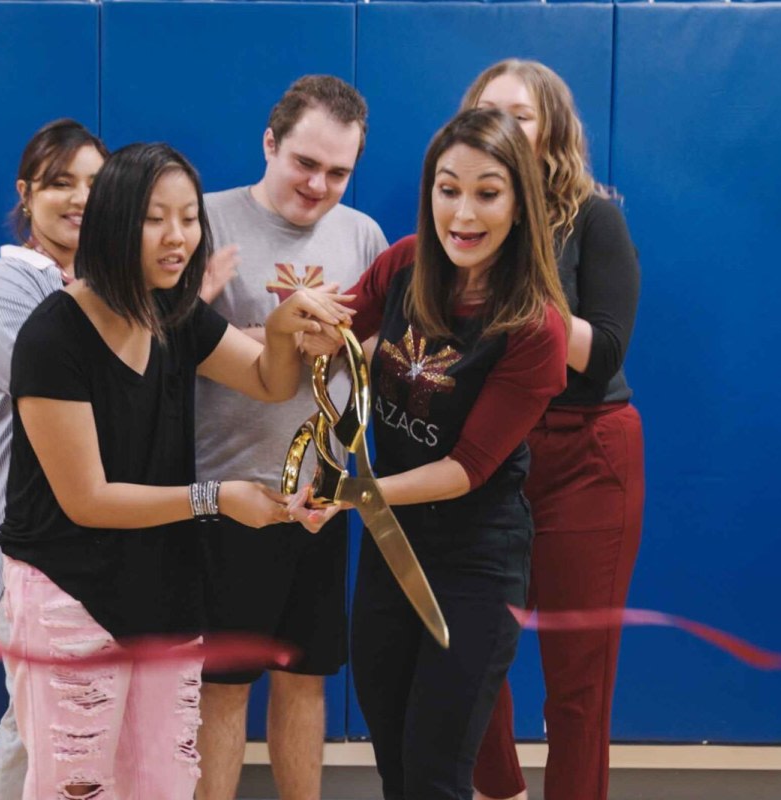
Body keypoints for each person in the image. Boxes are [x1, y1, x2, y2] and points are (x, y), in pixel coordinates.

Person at [0, 142, 353, 800]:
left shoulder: (174, 315)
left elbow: (270, 383)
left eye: (189, 217)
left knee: (163, 783)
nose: (178, 236)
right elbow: (87, 499)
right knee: (77, 787)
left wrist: (279, 331)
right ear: (113, 221)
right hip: (71, 596)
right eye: (156, 218)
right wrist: (219, 498)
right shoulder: (54, 336)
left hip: (161, 593)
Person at [308, 107, 569, 800]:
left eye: (487, 192)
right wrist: (297, 319)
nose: (463, 211)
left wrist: (349, 494)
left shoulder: (537, 327)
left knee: (434, 773)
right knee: (394, 761)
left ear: (519, 204)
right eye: (448, 188)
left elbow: (466, 471)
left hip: (475, 565)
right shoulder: (402, 265)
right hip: (391, 549)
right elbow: (335, 343)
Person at [193, 74, 388, 800]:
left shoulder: (362, 234)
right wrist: (270, 338)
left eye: (339, 171)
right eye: (305, 162)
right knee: (222, 688)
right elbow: (172, 345)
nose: (319, 184)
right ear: (269, 143)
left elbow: (361, 361)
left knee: (306, 679)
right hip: (227, 492)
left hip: (317, 497)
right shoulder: (205, 222)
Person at [460, 60, 644, 800]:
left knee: (579, 676)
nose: (503, 124)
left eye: (521, 113)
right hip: (485, 454)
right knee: (472, 656)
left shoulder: (595, 216)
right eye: (488, 109)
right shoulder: (456, 220)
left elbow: (602, 355)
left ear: (551, 133)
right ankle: (496, 792)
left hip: (585, 451)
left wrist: (521, 287)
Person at [0, 118, 108, 800]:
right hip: (21, 547)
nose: (79, 198)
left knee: (43, 723)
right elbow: (76, 393)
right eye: (60, 183)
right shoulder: (5, 286)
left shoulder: (109, 291)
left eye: (94, 184)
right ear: (26, 193)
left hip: (87, 543)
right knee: (39, 723)